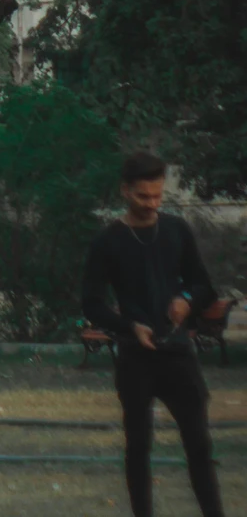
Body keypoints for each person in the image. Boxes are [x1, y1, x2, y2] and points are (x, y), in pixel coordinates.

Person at [81, 150, 225, 517]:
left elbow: (203, 284)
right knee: (138, 447)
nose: (152, 203)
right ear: (125, 191)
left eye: (158, 195)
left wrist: (187, 299)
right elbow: (92, 304)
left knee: (198, 446)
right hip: (136, 357)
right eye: (144, 196)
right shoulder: (107, 241)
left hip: (177, 355)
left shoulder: (176, 229)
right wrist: (129, 326)